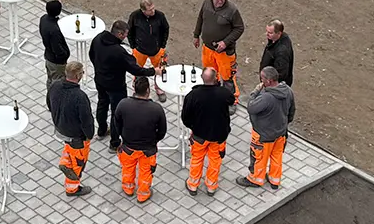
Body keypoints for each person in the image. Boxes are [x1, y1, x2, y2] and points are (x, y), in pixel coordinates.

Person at [90, 18, 154, 150]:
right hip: (116, 86)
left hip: (100, 80)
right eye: (125, 34)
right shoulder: (118, 51)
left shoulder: (97, 39)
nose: (126, 37)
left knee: (102, 104)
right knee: (116, 112)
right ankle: (114, 143)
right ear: (119, 34)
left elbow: (92, 55)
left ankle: (102, 130)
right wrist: (153, 71)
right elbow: (135, 68)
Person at [239, 65, 295, 189]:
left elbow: (251, 108)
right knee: (277, 157)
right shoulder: (288, 91)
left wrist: (255, 92)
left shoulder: (266, 97)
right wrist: (283, 125)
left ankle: (255, 179)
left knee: (259, 158)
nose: (261, 81)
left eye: (262, 79)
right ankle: (275, 180)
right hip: (280, 134)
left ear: (269, 81)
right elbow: (291, 112)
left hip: (264, 135)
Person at [114, 74, 168, 202]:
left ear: (134, 89)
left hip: (128, 147)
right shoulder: (156, 109)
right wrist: (154, 141)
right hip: (147, 149)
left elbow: (117, 124)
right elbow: (162, 131)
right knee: (146, 172)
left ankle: (128, 188)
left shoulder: (123, 104)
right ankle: (143, 193)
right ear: (148, 90)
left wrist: (124, 137)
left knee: (127, 168)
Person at [180, 66, 234, 195]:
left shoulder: (193, 95)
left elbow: (185, 117)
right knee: (215, 160)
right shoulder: (223, 93)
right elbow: (231, 100)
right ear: (216, 78)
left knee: (197, 159)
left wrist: (193, 127)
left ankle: (193, 184)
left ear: (201, 78)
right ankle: (211, 186)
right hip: (219, 135)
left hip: (199, 135)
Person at [48, 61, 95, 198]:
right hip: (76, 137)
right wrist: (89, 135)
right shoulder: (80, 97)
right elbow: (86, 120)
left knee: (69, 149)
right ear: (78, 75)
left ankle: (65, 162)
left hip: (60, 129)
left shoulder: (55, 85)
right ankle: (72, 188)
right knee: (79, 162)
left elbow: (49, 103)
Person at [192, 0, 245, 97]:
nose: (221, 1)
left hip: (225, 53)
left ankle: (231, 101)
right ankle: (213, 95)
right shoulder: (206, 3)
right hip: (207, 49)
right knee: (210, 75)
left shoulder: (232, 10)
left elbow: (239, 28)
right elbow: (200, 18)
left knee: (228, 78)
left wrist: (225, 42)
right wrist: (196, 35)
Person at [127, 0, 170, 72]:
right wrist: (133, 46)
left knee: (161, 70)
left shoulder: (160, 16)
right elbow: (129, 30)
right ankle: (137, 82)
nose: (153, 11)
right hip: (139, 51)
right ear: (143, 11)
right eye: (150, 10)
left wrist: (162, 45)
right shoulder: (135, 16)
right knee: (137, 71)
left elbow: (166, 29)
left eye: (153, 8)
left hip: (156, 51)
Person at [39, 0, 69, 87]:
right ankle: (54, 100)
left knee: (50, 80)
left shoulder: (43, 19)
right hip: (57, 62)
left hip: (48, 56)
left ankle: (50, 99)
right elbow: (57, 48)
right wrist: (64, 55)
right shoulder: (54, 30)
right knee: (58, 84)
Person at [258, 20, 294, 86]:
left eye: (270, 33)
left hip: (274, 86)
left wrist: (268, 83)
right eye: (267, 31)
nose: (267, 34)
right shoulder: (274, 40)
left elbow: (281, 73)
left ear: (279, 33)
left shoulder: (282, 52)